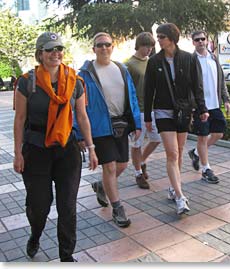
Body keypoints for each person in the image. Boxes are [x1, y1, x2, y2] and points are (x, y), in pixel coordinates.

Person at [13, 32, 98, 262]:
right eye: (50, 49)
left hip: (66, 148)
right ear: (40, 53)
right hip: (36, 149)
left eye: (59, 48)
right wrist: (18, 153)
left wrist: (91, 147)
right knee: (39, 206)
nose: (56, 53)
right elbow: (20, 119)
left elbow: (81, 117)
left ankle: (66, 256)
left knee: (68, 206)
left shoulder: (74, 81)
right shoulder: (26, 81)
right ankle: (35, 233)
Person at [74, 32, 141, 228]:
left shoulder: (121, 69)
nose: (104, 48)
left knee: (122, 165)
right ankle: (118, 209)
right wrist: (79, 134)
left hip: (120, 124)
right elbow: (77, 109)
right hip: (98, 127)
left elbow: (133, 96)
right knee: (110, 167)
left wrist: (136, 122)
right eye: (99, 45)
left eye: (107, 44)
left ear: (113, 47)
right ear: (93, 49)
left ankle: (101, 186)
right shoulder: (84, 75)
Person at [144, 23, 209, 215]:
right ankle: (181, 197)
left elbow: (197, 86)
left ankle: (174, 186)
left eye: (162, 36)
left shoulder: (188, 59)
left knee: (179, 151)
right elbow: (149, 90)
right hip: (163, 111)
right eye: (158, 36)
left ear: (172, 38)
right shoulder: (154, 61)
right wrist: (148, 116)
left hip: (183, 111)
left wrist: (202, 108)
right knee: (172, 153)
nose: (159, 40)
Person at [188, 30, 230, 184]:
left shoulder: (214, 58)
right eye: (197, 39)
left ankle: (195, 153)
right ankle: (206, 169)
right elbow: (188, 86)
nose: (200, 42)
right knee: (202, 136)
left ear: (206, 41)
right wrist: (194, 107)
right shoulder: (191, 60)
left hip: (215, 104)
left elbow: (221, 81)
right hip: (200, 107)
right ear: (193, 42)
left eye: (203, 39)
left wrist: (226, 99)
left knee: (218, 133)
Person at [125, 32, 161, 189]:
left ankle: (142, 161)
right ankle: (138, 173)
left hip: (153, 109)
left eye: (152, 47)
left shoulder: (152, 62)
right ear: (140, 46)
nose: (150, 50)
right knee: (136, 144)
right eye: (147, 46)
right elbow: (126, 90)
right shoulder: (129, 64)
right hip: (137, 110)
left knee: (156, 139)